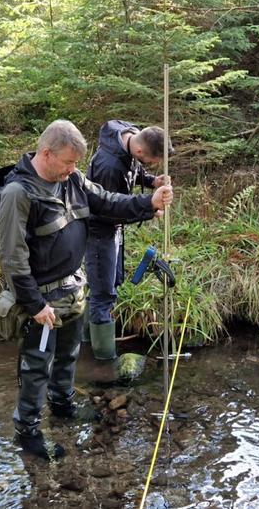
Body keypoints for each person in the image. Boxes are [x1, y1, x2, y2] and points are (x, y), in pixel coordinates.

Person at [0, 119, 173, 460]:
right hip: (41, 302)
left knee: (67, 356)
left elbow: (106, 201)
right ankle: (28, 433)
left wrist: (149, 203)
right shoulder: (18, 194)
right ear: (46, 154)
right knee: (35, 369)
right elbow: (12, 258)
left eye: (75, 163)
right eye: (68, 162)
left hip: (72, 290)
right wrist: (33, 305)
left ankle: (62, 406)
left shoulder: (72, 179)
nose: (73, 169)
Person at [84, 120, 172, 359]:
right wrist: (150, 209)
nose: (154, 165)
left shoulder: (129, 136)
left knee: (112, 282)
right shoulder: (109, 166)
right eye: (153, 161)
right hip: (99, 231)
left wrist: (151, 181)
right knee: (104, 294)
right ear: (140, 151)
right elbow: (108, 208)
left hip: (114, 229)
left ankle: (84, 340)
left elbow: (134, 171)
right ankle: (103, 360)